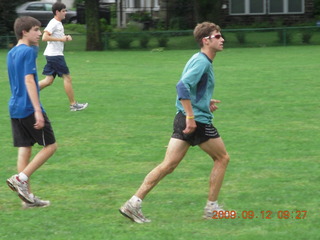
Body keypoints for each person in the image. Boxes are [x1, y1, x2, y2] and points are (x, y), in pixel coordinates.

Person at [119, 22, 231, 223]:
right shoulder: (202, 62)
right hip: (196, 122)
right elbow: (182, 86)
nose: (222, 39)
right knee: (222, 158)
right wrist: (191, 116)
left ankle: (133, 204)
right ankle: (212, 208)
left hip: (185, 118)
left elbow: (191, 88)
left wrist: (205, 101)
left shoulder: (199, 58)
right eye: (218, 36)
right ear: (206, 40)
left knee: (168, 165)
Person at [6, 16, 58, 209]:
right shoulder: (28, 52)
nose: (39, 33)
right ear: (24, 32)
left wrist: (43, 83)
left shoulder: (11, 52)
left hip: (15, 107)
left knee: (25, 149)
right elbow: (28, 80)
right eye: (35, 30)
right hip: (29, 107)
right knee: (50, 146)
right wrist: (37, 110)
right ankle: (21, 178)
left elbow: (23, 82)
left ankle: (25, 199)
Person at [39, 2, 88, 111]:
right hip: (55, 55)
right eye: (63, 11)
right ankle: (73, 105)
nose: (65, 13)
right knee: (67, 78)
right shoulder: (53, 23)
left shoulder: (58, 23)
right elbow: (44, 37)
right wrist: (61, 39)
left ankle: (28, 93)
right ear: (57, 12)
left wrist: (65, 37)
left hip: (53, 55)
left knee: (48, 81)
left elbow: (56, 37)